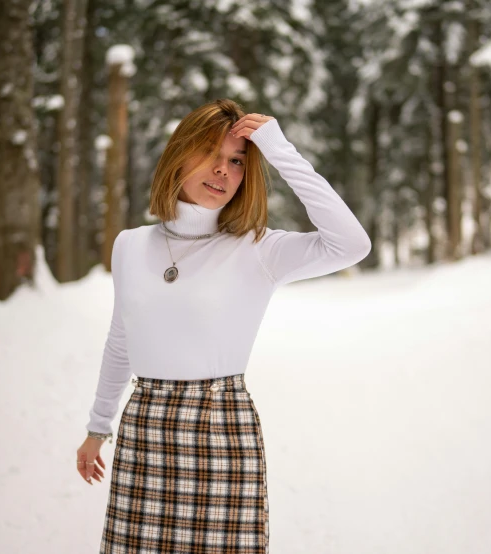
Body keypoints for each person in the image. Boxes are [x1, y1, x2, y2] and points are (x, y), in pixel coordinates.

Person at [76, 98, 372, 553]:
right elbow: (121, 341)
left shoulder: (257, 248)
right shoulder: (130, 246)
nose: (223, 171)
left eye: (236, 161)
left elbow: (351, 243)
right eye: (210, 154)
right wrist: (98, 427)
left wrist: (279, 150)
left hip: (222, 429)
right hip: (145, 430)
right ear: (179, 155)